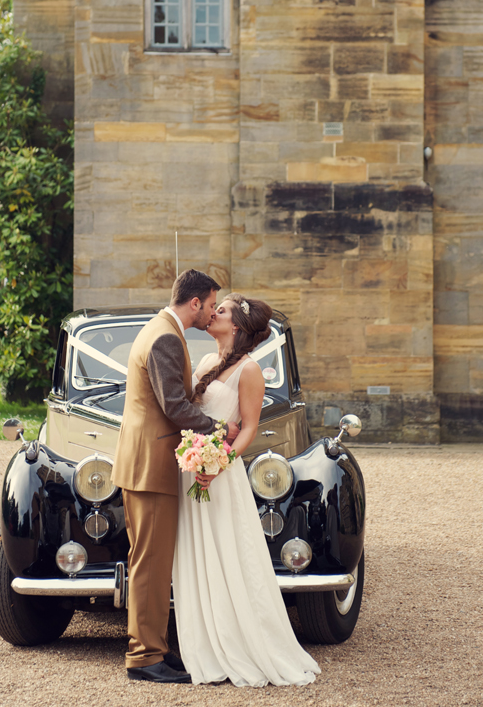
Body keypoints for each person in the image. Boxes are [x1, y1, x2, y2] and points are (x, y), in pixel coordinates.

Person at [171, 293, 321, 688]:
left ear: (235, 325)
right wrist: (197, 455)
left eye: (220, 310)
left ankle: (239, 644)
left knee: (228, 555)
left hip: (219, 473)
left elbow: (250, 427)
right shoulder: (204, 362)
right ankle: (201, 644)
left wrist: (219, 463)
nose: (211, 312)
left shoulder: (250, 370)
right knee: (197, 555)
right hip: (192, 467)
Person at [111, 269, 240, 684]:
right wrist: (221, 431)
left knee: (154, 561)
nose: (212, 314)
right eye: (211, 303)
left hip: (149, 464)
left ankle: (157, 650)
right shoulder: (166, 336)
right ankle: (145, 657)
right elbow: (175, 406)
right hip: (151, 466)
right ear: (196, 302)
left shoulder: (162, 329)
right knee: (150, 564)